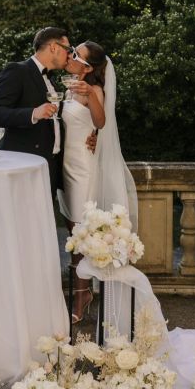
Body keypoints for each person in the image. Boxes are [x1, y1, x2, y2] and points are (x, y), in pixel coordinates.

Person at [57, 41, 137, 323]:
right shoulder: (67, 86)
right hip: (65, 166)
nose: (70, 56)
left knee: (81, 233)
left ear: (88, 66)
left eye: (76, 54)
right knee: (71, 230)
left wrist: (90, 95)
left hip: (83, 168)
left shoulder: (94, 89)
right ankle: (83, 290)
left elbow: (101, 122)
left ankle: (81, 296)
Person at [0, 27, 72, 196]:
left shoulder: (51, 81)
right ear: (54, 47)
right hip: (22, 163)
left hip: (49, 163)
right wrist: (33, 113)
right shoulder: (17, 71)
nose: (69, 55)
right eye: (68, 49)